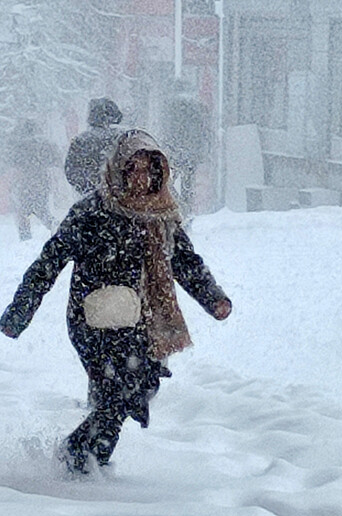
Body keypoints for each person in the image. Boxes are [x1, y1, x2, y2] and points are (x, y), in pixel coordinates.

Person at [0, 129, 232, 475]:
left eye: (148, 169)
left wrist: (214, 299)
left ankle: (91, 458)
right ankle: (80, 457)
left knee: (140, 384)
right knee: (116, 391)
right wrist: (20, 311)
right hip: (91, 319)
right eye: (132, 169)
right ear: (118, 171)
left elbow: (184, 261)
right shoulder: (91, 211)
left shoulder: (161, 215)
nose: (141, 177)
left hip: (140, 320)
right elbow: (48, 262)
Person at [161, 86, 211, 220]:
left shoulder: (171, 106)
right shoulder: (196, 106)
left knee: (167, 181)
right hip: (191, 152)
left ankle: (177, 206)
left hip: (175, 151)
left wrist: (166, 147)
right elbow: (203, 131)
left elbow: (167, 130)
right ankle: (186, 209)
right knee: (187, 182)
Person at [6, 119, 60, 240]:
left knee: (23, 210)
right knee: (42, 208)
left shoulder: (20, 145)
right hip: (42, 180)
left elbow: (13, 163)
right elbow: (56, 160)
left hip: (25, 181)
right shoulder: (45, 144)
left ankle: (25, 236)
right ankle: (52, 224)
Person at [64, 97, 124, 197]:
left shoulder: (81, 140)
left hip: (91, 197)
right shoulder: (123, 137)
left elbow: (71, 171)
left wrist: (87, 189)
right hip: (120, 198)